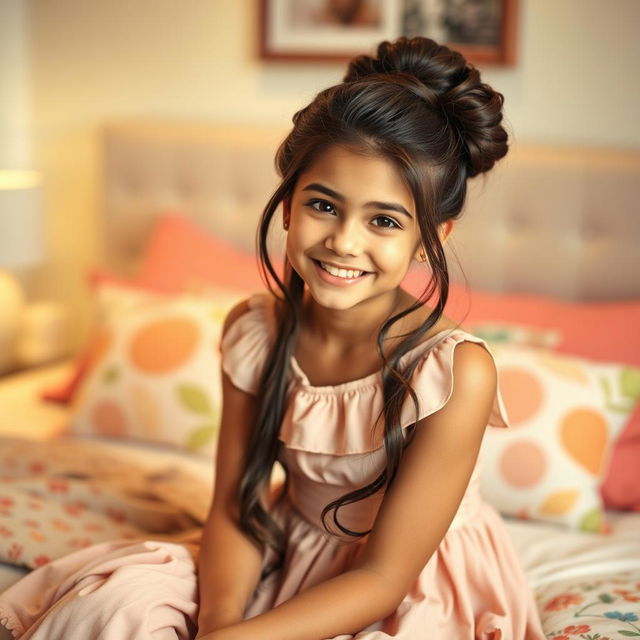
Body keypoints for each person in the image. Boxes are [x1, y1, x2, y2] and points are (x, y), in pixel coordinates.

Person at [0, 36, 545, 639]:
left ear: (429, 240)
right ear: (288, 206)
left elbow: (385, 579)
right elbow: (237, 504)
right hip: (275, 543)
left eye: (384, 220)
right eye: (323, 205)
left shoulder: (451, 372)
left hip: (401, 580)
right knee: (112, 608)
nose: (343, 242)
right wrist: (220, 624)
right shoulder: (255, 332)